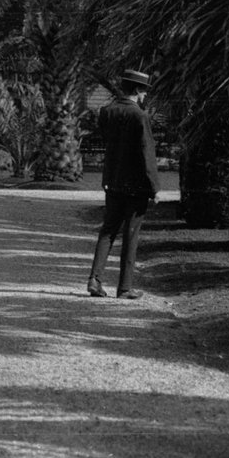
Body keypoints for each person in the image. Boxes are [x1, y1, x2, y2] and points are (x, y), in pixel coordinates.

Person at [86, 69, 157, 298]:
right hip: (136, 184)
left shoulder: (107, 112)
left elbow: (109, 142)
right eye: (144, 90)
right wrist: (154, 187)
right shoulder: (140, 116)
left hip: (113, 180)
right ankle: (124, 287)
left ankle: (95, 279)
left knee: (108, 230)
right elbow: (147, 154)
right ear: (137, 90)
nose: (145, 95)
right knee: (131, 233)